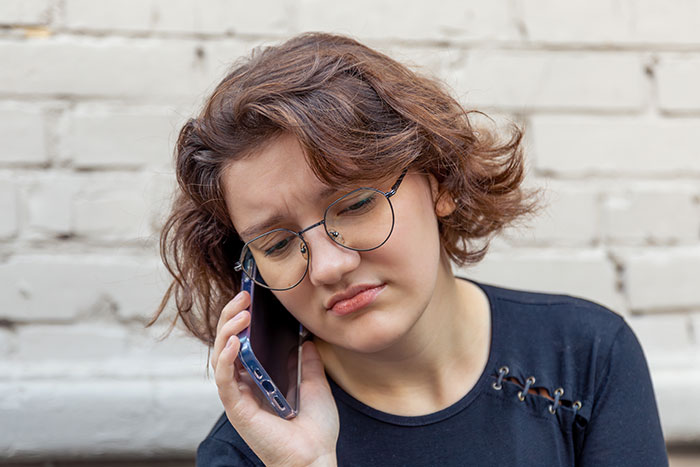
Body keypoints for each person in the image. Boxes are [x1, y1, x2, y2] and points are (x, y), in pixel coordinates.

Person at [151, 33, 668, 466]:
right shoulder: (251, 453)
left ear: (439, 181)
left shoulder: (584, 358)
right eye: (279, 243)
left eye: (354, 205)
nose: (330, 266)